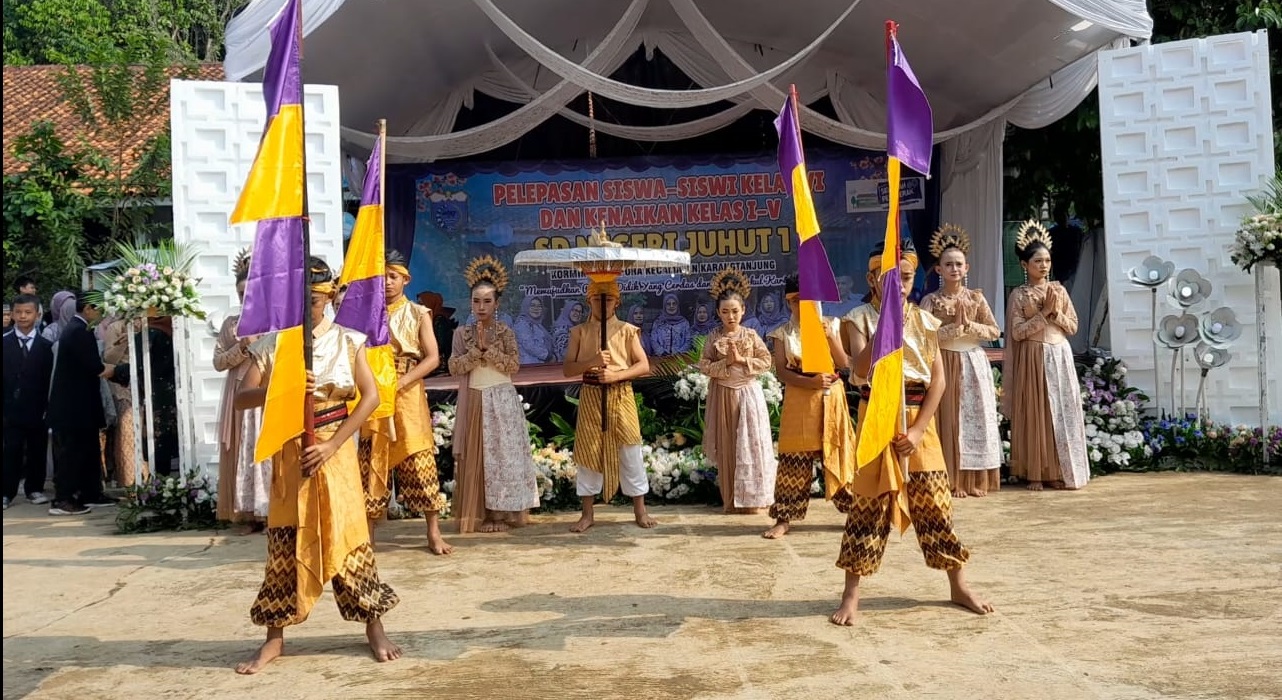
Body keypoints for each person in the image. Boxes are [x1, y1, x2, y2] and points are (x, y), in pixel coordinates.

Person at [233, 256, 400, 674]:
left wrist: (333, 446)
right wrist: (282, 388)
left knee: (348, 538)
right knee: (286, 541)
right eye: (300, 299)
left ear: (328, 298)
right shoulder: (273, 344)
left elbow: (370, 398)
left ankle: (373, 626)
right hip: (290, 452)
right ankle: (274, 637)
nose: (308, 307)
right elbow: (242, 397)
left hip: (335, 450)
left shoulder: (347, 340)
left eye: (315, 299)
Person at [831, 242, 993, 625]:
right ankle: (851, 594)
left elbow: (938, 380)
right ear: (873, 280)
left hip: (919, 421)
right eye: (889, 279)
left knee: (935, 504)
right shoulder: (857, 319)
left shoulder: (925, 321)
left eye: (904, 278)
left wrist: (920, 429)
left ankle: (958, 584)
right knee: (867, 508)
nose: (898, 285)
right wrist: (885, 328)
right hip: (876, 418)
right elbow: (858, 371)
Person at [359, 250, 452, 554]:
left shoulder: (418, 312)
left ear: (405, 279)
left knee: (418, 455)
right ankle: (368, 533)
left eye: (393, 276)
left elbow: (433, 358)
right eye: (382, 276)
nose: (386, 282)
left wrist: (399, 383)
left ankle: (433, 531)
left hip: (407, 390)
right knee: (373, 457)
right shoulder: (366, 314)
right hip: (373, 392)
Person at [449, 257, 540, 533]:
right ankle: (482, 514)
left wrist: (490, 349)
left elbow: (513, 365)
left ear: (497, 303)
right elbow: (454, 366)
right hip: (475, 399)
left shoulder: (506, 332)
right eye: (476, 301)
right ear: (470, 303)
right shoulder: (461, 334)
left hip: (501, 399)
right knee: (478, 457)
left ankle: (501, 514)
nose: (481, 307)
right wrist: (477, 350)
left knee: (501, 456)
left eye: (487, 301)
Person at [762, 275, 856, 539]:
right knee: (794, 459)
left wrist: (831, 338)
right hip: (800, 399)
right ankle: (784, 518)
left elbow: (845, 363)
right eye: (793, 301)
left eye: (803, 300)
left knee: (838, 455)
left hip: (830, 397)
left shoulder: (832, 324)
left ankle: (855, 512)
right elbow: (781, 372)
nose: (798, 306)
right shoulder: (781, 333)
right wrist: (810, 382)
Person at [563, 278, 656, 532]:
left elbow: (643, 365)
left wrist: (616, 374)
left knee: (630, 449)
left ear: (617, 301)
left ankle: (640, 509)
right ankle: (587, 513)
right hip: (592, 395)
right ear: (588, 301)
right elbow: (568, 369)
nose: (603, 304)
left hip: (620, 393)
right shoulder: (579, 332)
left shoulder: (627, 330)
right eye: (597, 299)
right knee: (589, 451)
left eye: (608, 299)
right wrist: (591, 361)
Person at [1004, 221, 1090, 490]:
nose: (1043, 265)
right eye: (1037, 260)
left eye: (1047, 260)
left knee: (1060, 411)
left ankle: (1057, 469)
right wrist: (1043, 315)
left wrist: (1056, 313)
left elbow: (1073, 326)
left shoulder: (1060, 290)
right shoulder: (1019, 295)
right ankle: (1035, 472)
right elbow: (1017, 333)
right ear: (1024, 265)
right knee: (1037, 412)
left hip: (1059, 353)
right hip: (1033, 357)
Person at [919, 226, 1003, 498]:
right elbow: (922, 336)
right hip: (944, 361)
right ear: (939, 270)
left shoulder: (976, 298)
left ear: (967, 268)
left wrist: (970, 326)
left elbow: (994, 331)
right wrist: (954, 328)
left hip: (973, 361)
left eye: (958, 264)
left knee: (975, 418)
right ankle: (950, 479)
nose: (954, 269)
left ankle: (975, 479)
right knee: (948, 418)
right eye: (948, 265)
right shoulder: (931, 301)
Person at [697, 269, 776, 515]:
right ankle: (731, 500)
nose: (730, 316)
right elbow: (704, 365)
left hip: (748, 396)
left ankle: (754, 500)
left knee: (751, 445)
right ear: (718, 313)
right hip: (723, 395)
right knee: (728, 446)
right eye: (724, 311)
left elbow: (767, 361)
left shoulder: (751, 335)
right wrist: (726, 364)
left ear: (743, 310)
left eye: (734, 311)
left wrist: (742, 360)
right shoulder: (713, 337)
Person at [214, 248, 270, 531]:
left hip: (266, 394)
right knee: (241, 453)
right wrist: (242, 346)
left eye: (250, 292)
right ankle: (247, 513)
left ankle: (272, 510)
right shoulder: (231, 325)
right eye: (240, 294)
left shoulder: (276, 322)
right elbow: (218, 362)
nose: (244, 298)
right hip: (239, 394)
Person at [46, 291, 115, 516]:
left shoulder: (79, 329)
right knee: (70, 454)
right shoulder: (78, 331)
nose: (101, 314)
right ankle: (63, 498)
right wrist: (116, 371)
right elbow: (93, 366)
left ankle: (90, 492)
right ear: (87, 309)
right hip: (72, 408)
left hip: (82, 406)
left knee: (88, 451)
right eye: (99, 310)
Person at [3, 294, 54, 509]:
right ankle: (6, 492)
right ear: (12, 314)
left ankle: (34, 488)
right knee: (10, 450)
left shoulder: (46, 346)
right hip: (9, 408)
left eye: (28, 312)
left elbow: (49, 379)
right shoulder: (4, 343)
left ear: (37, 314)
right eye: (19, 312)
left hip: (37, 408)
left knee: (37, 449)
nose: (23, 316)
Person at [512, 296, 554, 364]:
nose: (536, 308)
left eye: (539, 306)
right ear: (526, 307)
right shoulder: (522, 324)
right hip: (528, 366)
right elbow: (529, 346)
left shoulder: (537, 324)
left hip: (538, 365)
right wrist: (547, 356)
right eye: (532, 305)